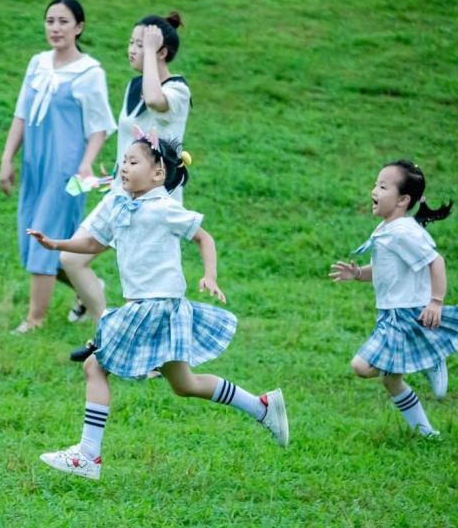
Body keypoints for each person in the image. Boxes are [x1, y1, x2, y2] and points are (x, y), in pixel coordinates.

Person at [27, 135, 289, 480]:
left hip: (157, 307)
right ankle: (262, 406)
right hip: (150, 308)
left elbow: (203, 237)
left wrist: (210, 276)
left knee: (94, 366)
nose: (123, 166)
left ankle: (88, 455)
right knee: (185, 385)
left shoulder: (163, 207)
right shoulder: (121, 205)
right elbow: (93, 242)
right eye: (123, 160)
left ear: (158, 172)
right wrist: (56, 243)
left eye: (133, 162)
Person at [61, 12, 191, 360]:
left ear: (160, 52)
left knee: (145, 288)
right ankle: (107, 333)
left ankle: (153, 359)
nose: (131, 50)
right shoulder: (134, 85)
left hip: (155, 205)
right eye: (132, 43)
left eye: (140, 45)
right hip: (121, 196)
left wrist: (150, 50)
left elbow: (155, 102)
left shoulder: (176, 90)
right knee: (70, 258)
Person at [328, 160, 458, 438]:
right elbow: (386, 269)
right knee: (391, 380)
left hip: (405, 314)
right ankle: (425, 432)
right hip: (390, 313)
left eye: (383, 186)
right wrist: (358, 273)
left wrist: (437, 302)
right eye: (375, 184)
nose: (374, 190)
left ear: (403, 200)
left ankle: (431, 357)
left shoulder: (404, 232)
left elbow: (436, 261)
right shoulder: (388, 229)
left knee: (361, 366)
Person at [0, 0, 116, 334]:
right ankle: (89, 286)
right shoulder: (37, 63)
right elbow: (21, 113)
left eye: (64, 21)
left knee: (44, 237)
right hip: (35, 165)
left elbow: (100, 126)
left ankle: (34, 320)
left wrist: (86, 165)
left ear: (79, 27)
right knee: (33, 240)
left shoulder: (90, 72)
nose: (55, 28)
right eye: (50, 21)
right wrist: (8, 158)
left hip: (67, 169)